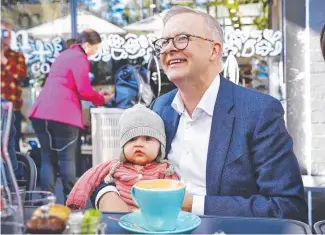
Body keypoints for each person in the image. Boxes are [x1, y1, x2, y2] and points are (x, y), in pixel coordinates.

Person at [94, 6, 308, 222]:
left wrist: (191, 204)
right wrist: (107, 194)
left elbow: (287, 206)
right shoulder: (160, 108)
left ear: (214, 50)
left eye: (182, 38)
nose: (169, 48)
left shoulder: (258, 111)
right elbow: (128, 164)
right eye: (164, 42)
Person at [28, 29, 113, 201]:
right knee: (67, 159)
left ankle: (47, 201)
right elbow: (84, 90)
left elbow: (66, 83)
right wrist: (102, 99)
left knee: (47, 157)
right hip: (63, 114)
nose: (95, 53)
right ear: (87, 45)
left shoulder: (63, 55)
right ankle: (71, 200)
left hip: (41, 111)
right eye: (95, 49)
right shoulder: (80, 58)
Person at [66, 104, 177, 211]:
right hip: (121, 216)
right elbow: (89, 178)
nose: (138, 144)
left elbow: (175, 193)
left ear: (160, 146)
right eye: (131, 139)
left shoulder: (165, 169)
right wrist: (76, 201)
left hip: (153, 217)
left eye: (147, 138)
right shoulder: (115, 166)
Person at [1, 20, 27, 152]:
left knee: (12, 146)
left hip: (12, 108)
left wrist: (4, 61)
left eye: (8, 33)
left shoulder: (17, 56)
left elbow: (21, 75)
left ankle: (15, 172)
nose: (7, 36)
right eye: (3, 32)